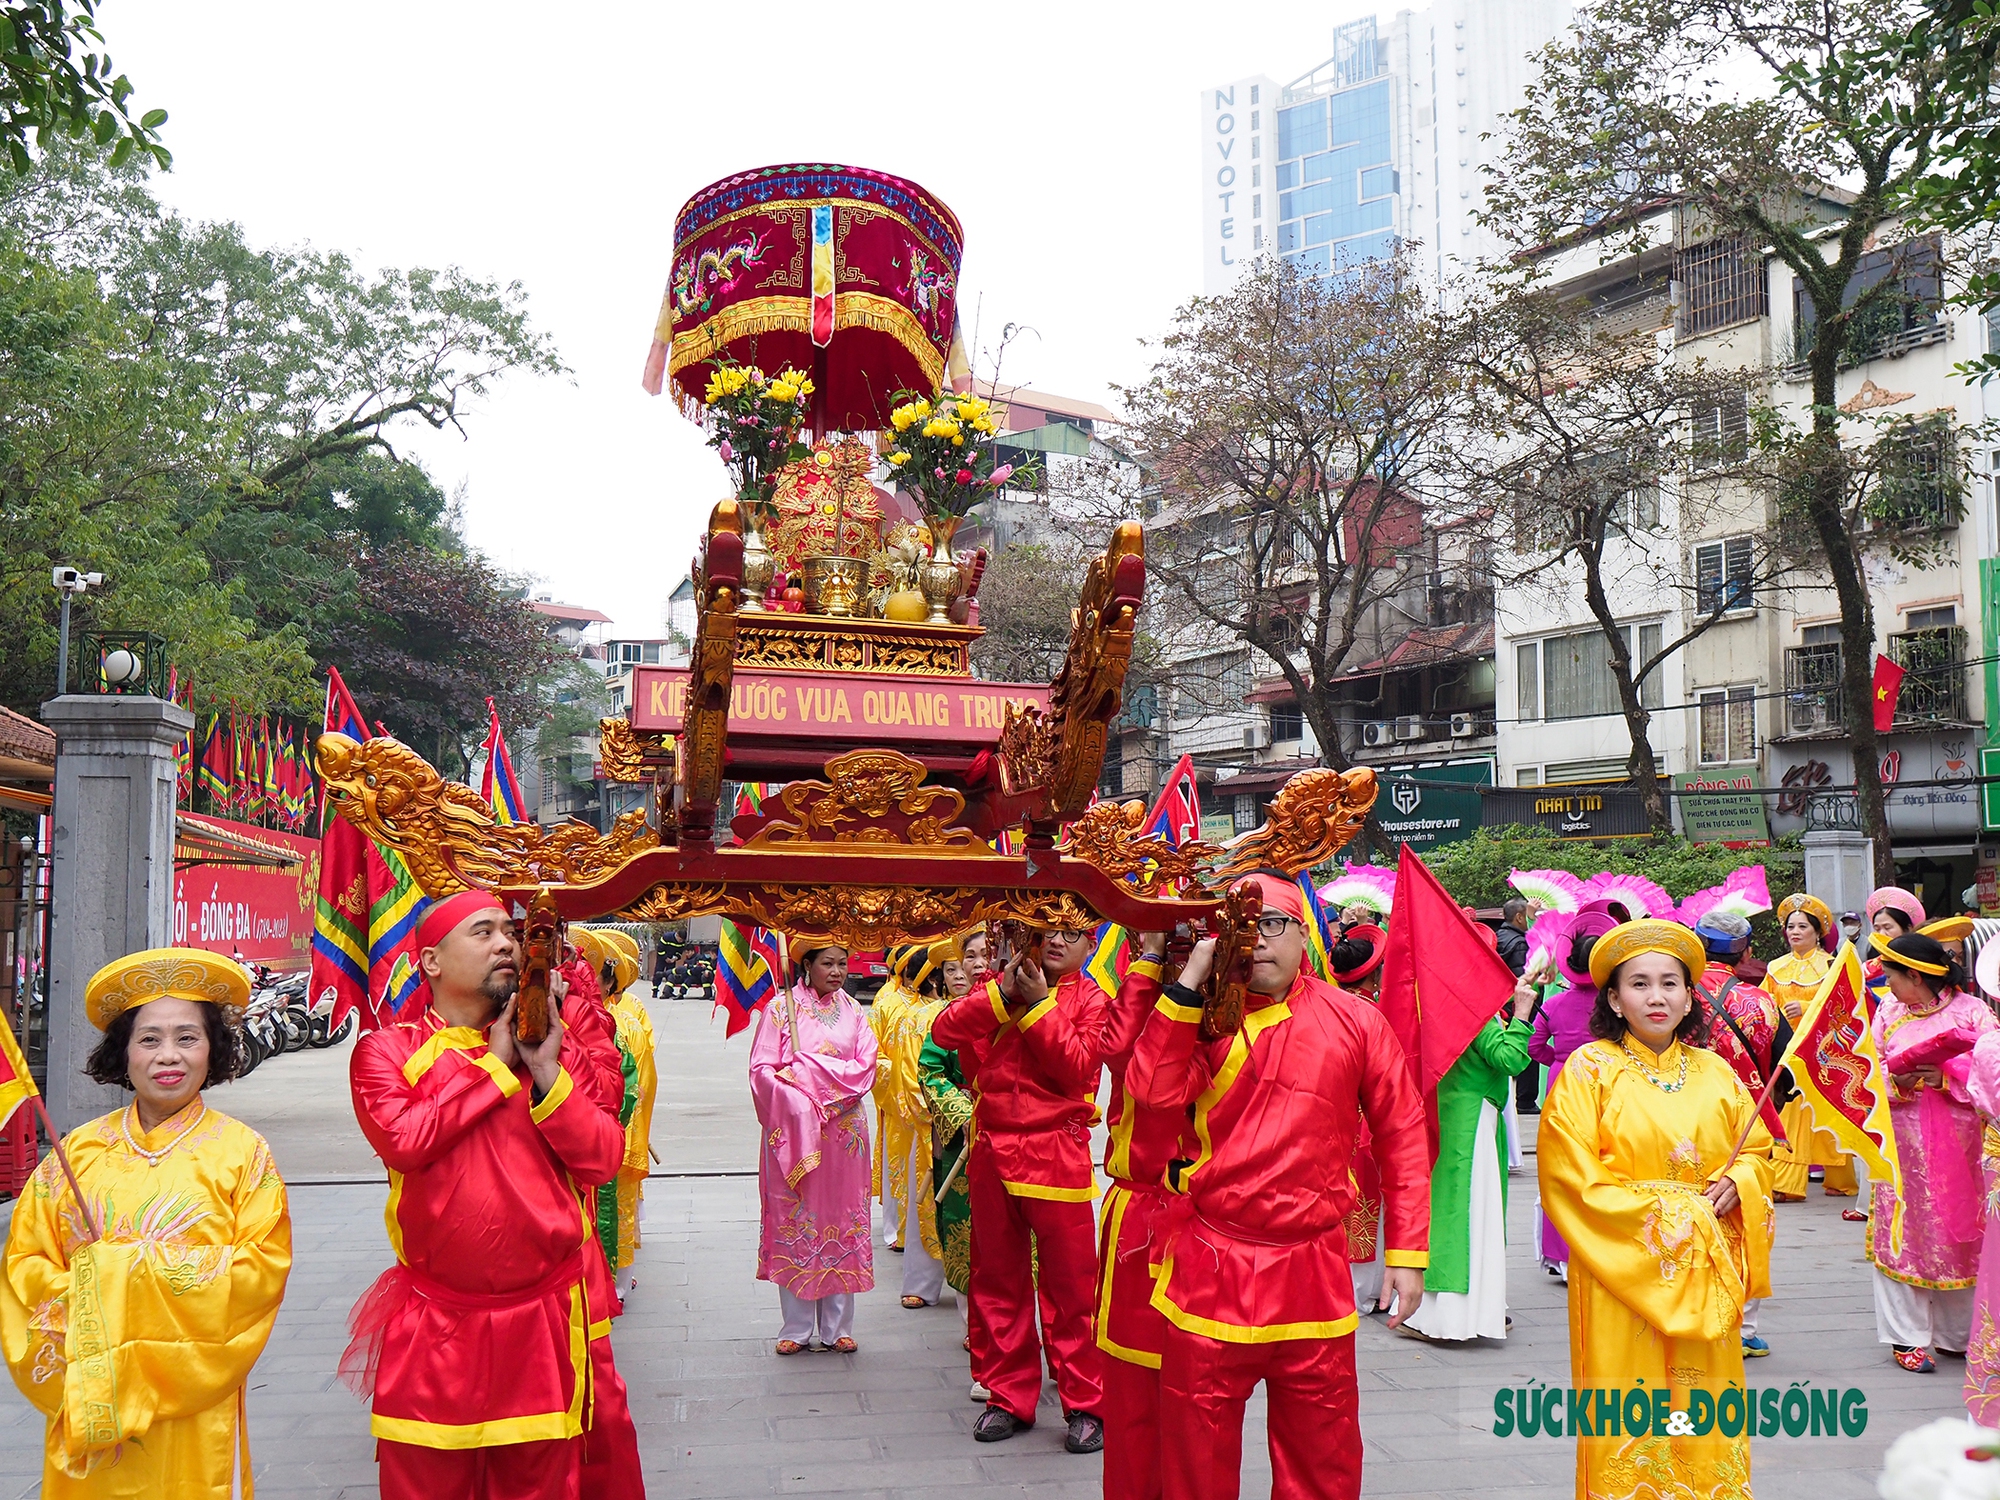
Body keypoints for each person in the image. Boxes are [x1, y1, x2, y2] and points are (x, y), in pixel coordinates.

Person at [1127, 874, 1431, 1500]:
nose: (1257, 941)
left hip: (1313, 1267)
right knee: (1196, 1460)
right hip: (1212, 1266)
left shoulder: (1355, 1020)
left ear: (1303, 934)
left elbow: (1403, 1133)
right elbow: (1151, 1095)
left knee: (1324, 1456)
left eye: (1272, 925)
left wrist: (1407, 1254)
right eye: (1241, 926)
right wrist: (1187, 987)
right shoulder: (1202, 1019)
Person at [344, 889, 635, 1500]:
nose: (506, 943)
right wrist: (497, 1066)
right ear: (431, 962)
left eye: (509, 931)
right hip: (436, 1323)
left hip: (542, 1323)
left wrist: (547, 1070)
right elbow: (406, 1139)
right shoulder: (386, 1051)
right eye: (483, 932)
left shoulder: (550, 1046)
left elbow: (604, 1158)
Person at [1, 948, 291, 1499]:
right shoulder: (76, 1155)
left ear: (214, 1049)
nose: (169, 1056)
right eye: (149, 1039)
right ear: (125, 1053)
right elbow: (25, 1265)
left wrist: (120, 1267)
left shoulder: (242, 1154)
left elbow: (260, 1271)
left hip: (196, 1400)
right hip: (95, 1393)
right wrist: (87, 1288)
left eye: (188, 1038)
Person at [1537, 918, 1775, 1500]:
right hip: (1620, 1266)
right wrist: (1674, 1218)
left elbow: (1758, 1152)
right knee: (1627, 1399)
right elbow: (1570, 1178)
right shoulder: (1588, 1072)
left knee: (1707, 1398)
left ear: (1690, 995)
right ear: (1613, 1000)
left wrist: (1738, 1182)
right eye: (1639, 984)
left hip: (1703, 1267)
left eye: (1670, 983)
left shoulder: (1716, 1072)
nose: (1657, 996)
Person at [929, 925, 1130, 1454]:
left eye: (1071, 933)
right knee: (995, 1278)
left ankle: (1086, 1401)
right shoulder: (995, 987)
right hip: (993, 1148)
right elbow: (946, 1032)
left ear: (1091, 945)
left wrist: (1040, 1004)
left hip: (1056, 1151)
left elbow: (1078, 1067)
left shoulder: (1091, 998)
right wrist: (1005, 995)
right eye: (1046, 932)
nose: (1057, 942)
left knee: (1070, 1287)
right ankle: (1006, 1395)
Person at [1868, 929, 1996, 1373]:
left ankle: (1958, 1336)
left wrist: (1947, 1078)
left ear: (1917, 976)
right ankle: (1906, 1337)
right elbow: (1866, 1073)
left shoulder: (1974, 1012)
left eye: (1892, 976)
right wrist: (1897, 1082)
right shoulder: (1887, 1012)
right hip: (1901, 1149)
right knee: (1903, 1237)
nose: (1888, 986)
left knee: (1963, 1237)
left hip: (1962, 1150)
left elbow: (1992, 1075)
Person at [750, 942, 878, 1354]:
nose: (838, 971)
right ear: (807, 965)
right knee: (798, 1218)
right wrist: (797, 1098)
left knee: (843, 1218)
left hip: (844, 1134)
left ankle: (837, 1326)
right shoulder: (778, 1010)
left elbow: (866, 1067)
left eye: (842, 963)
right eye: (828, 963)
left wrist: (808, 1074)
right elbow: (761, 1072)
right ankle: (796, 1326)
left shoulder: (855, 1012)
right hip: (796, 1133)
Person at [1089, 927, 1174, 1500]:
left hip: (1216, 1224)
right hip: (1142, 1215)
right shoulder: (1140, 1014)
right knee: (1136, 1393)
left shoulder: (1240, 1017)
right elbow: (1119, 1053)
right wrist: (1152, 962)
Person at [1403, 973, 1534, 1343]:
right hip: (1474, 1121)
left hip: (1451, 1113)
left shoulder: (1441, 1008)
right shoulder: (1478, 1013)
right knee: (1472, 1214)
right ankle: (1453, 1318)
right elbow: (1510, 1059)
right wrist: (1522, 1014)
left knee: (1450, 1212)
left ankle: (1435, 1312)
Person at [1764, 894, 1858, 1203]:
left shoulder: (1831, 965)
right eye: (1790, 926)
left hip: (1824, 1049)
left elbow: (1845, 1007)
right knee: (1791, 1110)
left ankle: (1841, 1179)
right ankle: (1787, 1182)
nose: (1794, 932)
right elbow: (1765, 1003)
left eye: (1802, 926)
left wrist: (1805, 1006)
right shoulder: (1776, 967)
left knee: (1829, 1109)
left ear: (1817, 932)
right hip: (1788, 1049)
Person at [871, 944, 951, 1306]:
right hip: (931, 1123)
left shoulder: (989, 1012)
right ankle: (921, 1284)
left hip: (984, 1127)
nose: (963, 975)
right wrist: (945, 1112)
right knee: (924, 1202)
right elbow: (913, 1073)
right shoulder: (919, 1018)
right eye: (951, 970)